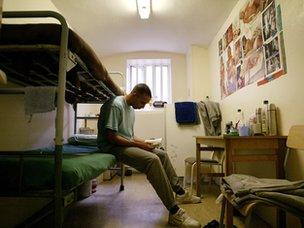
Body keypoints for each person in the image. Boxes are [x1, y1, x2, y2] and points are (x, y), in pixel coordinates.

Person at [97, 83, 201, 227]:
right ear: (134, 94)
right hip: (111, 146)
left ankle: (181, 193)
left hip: (121, 143)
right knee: (152, 160)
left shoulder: (131, 110)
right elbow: (112, 137)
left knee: (162, 154)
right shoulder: (116, 105)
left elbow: (129, 136)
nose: (143, 106)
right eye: (142, 102)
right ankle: (174, 211)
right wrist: (141, 145)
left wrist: (147, 142)